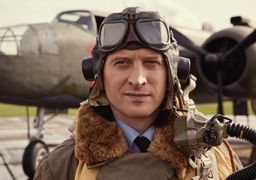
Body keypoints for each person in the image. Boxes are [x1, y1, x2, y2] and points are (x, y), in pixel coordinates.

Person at [34, 7, 242, 180]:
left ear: (173, 74)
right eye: (122, 63)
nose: (138, 79)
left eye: (151, 63)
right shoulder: (59, 169)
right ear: (97, 75)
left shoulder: (217, 155)